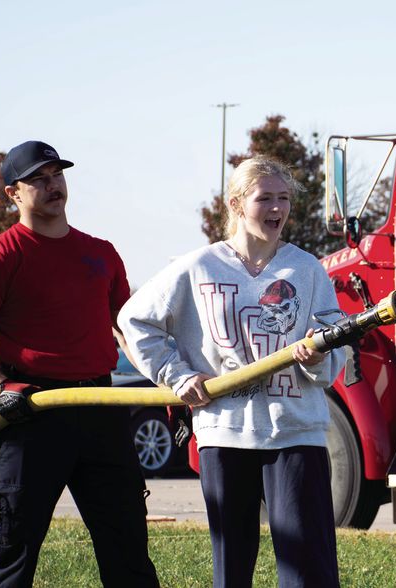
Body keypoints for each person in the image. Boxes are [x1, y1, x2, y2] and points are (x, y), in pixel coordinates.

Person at [0, 140, 160, 587]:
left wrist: (165, 382)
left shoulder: (101, 253)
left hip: (99, 406)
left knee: (128, 548)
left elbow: (127, 331)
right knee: (12, 552)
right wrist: (0, 386)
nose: (52, 184)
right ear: (12, 194)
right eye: (38, 178)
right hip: (32, 412)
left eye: (57, 174)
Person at [118, 155, 345, 588]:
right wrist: (178, 375)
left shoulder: (307, 269)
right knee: (232, 567)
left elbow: (333, 344)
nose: (277, 208)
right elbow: (134, 321)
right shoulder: (198, 266)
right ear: (238, 205)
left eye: (284, 199)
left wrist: (320, 357)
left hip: (296, 433)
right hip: (224, 433)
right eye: (265, 199)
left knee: (308, 569)